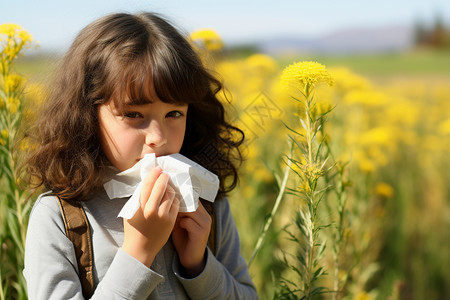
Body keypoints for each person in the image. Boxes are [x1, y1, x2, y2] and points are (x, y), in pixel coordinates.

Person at [23, 12, 258, 299]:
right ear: (87, 115)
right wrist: (138, 253)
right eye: (134, 114)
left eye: (174, 113)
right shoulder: (59, 218)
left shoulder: (205, 202)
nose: (158, 137)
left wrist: (198, 265)